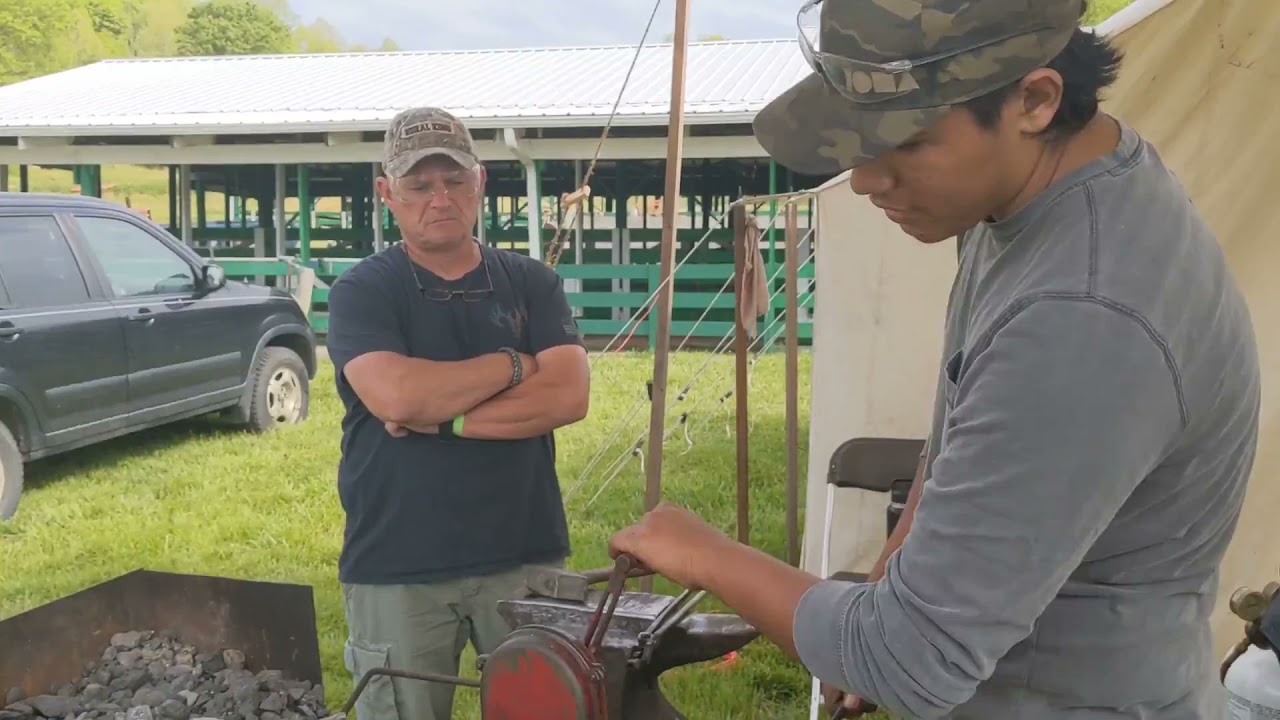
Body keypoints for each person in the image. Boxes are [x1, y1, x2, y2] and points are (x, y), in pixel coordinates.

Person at [609, 1, 1261, 718]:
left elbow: (910, 658)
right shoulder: (1030, 194)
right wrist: (888, 577)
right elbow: (959, 421)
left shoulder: (1080, 313)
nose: (864, 180)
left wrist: (702, 552)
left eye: (908, 141)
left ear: (1035, 99)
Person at [325, 106, 590, 720]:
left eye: (454, 181)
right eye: (418, 185)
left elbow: (568, 397)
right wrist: (514, 363)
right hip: (398, 562)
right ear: (387, 194)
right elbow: (396, 396)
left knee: (544, 710)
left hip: (525, 553)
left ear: (482, 184)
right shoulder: (363, 291)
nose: (438, 198)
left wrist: (446, 417)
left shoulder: (531, 283)